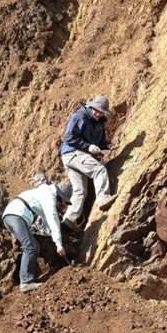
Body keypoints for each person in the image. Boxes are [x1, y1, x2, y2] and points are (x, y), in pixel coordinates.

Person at [2, 180, 72, 293]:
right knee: (30, 247)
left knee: (34, 246)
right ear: (59, 197)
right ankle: (26, 282)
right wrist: (59, 244)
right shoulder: (49, 198)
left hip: (12, 216)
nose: (63, 207)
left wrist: (54, 238)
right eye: (63, 203)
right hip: (17, 215)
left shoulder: (43, 196)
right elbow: (53, 219)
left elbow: (47, 224)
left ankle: (29, 278)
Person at [60, 95, 117, 231]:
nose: (98, 113)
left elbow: (101, 142)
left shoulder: (99, 123)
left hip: (76, 156)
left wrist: (108, 146)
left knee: (80, 191)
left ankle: (69, 221)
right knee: (99, 170)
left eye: (101, 112)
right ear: (91, 107)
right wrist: (87, 147)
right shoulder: (79, 117)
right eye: (97, 110)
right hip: (73, 153)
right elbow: (68, 137)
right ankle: (103, 197)